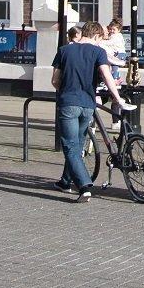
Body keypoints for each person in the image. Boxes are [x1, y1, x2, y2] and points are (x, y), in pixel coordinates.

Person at [51, 30, 130, 202]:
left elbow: (55, 80)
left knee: (70, 146)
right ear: (95, 36)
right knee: (77, 145)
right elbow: (107, 76)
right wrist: (118, 98)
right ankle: (65, 181)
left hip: (68, 103)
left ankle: (85, 185)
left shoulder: (64, 50)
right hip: (88, 104)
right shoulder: (98, 52)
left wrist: (65, 92)